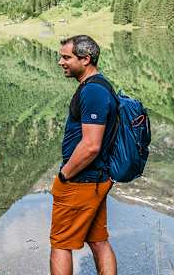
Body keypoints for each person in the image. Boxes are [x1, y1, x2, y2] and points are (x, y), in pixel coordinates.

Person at [50, 35, 118, 275]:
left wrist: (64, 176)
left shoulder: (93, 92)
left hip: (81, 181)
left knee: (60, 243)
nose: (61, 62)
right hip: (95, 179)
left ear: (86, 59)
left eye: (66, 57)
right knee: (98, 240)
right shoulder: (94, 87)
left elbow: (91, 146)